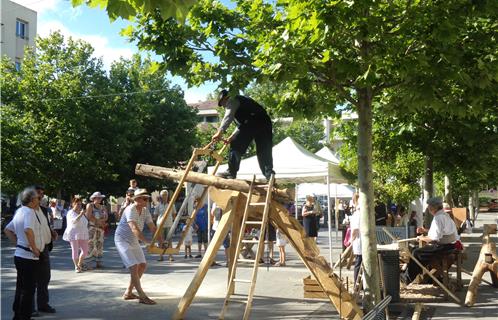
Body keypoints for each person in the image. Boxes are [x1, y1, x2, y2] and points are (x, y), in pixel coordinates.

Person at [211, 89, 274, 181]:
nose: (224, 106)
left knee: (236, 145)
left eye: (223, 103)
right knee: (263, 150)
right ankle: (269, 176)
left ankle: (231, 172)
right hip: (264, 122)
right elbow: (243, 123)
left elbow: (228, 116)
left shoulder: (232, 100)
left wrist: (219, 132)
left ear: (225, 98)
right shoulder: (243, 103)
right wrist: (232, 136)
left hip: (253, 122)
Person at [4, 187, 43, 320]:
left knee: (21, 287)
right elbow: (28, 230)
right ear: (32, 200)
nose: (39, 199)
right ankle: (23, 317)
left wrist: (18, 244)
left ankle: (17, 315)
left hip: (20, 255)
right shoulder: (30, 212)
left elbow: (7, 230)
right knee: (28, 290)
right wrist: (34, 249)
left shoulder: (19, 211)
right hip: (28, 256)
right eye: (38, 197)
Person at [114, 189, 158, 305]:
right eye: (144, 198)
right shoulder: (130, 209)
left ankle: (128, 293)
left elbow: (152, 227)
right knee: (133, 266)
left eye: (147, 198)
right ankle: (142, 296)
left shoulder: (145, 210)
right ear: (137, 199)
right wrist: (147, 242)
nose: (146, 200)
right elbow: (134, 228)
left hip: (133, 240)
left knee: (142, 265)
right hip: (122, 240)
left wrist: (162, 241)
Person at [402, 197, 458, 284]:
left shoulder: (438, 218)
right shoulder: (445, 215)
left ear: (433, 208)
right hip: (450, 245)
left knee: (416, 253)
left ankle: (407, 278)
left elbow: (434, 238)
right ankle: (418, 275)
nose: (428, 209)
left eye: (429, 207)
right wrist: (425, 231)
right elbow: (440, 232)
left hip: (444, 246)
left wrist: (422, 238)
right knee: (415, 249)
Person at [32, 185, 57, 315]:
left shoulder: (44, 209)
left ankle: (43, 304)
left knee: (44, 278)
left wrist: (52, 232)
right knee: (30, 280)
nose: (41, 195)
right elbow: (11, 229)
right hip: (31, 249)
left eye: (42, 193)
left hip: (45, 248)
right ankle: (29, 308)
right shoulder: (25, 210)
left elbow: (45, 225)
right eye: (38, 193)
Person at [62, 196, 89, 273]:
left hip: (82, 233)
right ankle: (76, 266)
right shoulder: (70, 212)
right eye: (77, 204)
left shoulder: (81, 213)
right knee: (75, 250)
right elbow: (73, 222)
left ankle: (80, 264)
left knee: (85, 251)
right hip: (73, 233)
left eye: (80, 204)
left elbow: (85, 222)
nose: (79, 206)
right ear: (73, 204)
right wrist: (80, 215)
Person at [84, 191, 108, 269]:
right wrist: (98, 221)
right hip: (92, 228)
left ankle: (99, 262)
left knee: (99, 245)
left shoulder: (103, 207)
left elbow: (106, 217)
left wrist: (101, 221)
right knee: (90, 245)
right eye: (97, 197)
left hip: (100, 228)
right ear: (93, 198)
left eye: (100, 197)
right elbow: (88, 216)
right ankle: (88, 264)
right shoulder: (90, 205)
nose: (99, 199)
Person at [154, 190, 176, 262]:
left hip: (169, 224)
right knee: (160, 241)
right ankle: (160, 256)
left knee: (169, 241)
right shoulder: (158, 205)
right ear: (160, 196)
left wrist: (174, 223)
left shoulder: (171, 204)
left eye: (166, 194)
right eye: (163, 195)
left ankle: (170, 256)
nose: (165, 196)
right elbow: (155, 215)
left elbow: (174, 214)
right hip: (160, 225)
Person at [349, 193, 362, 285]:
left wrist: (351, 240)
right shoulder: (361, 213)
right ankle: (358, 283)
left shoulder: (357, 214)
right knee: (359, 261)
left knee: (358, 262)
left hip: (359, 241)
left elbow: (355, 229)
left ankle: (357, 283)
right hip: (361, 241)